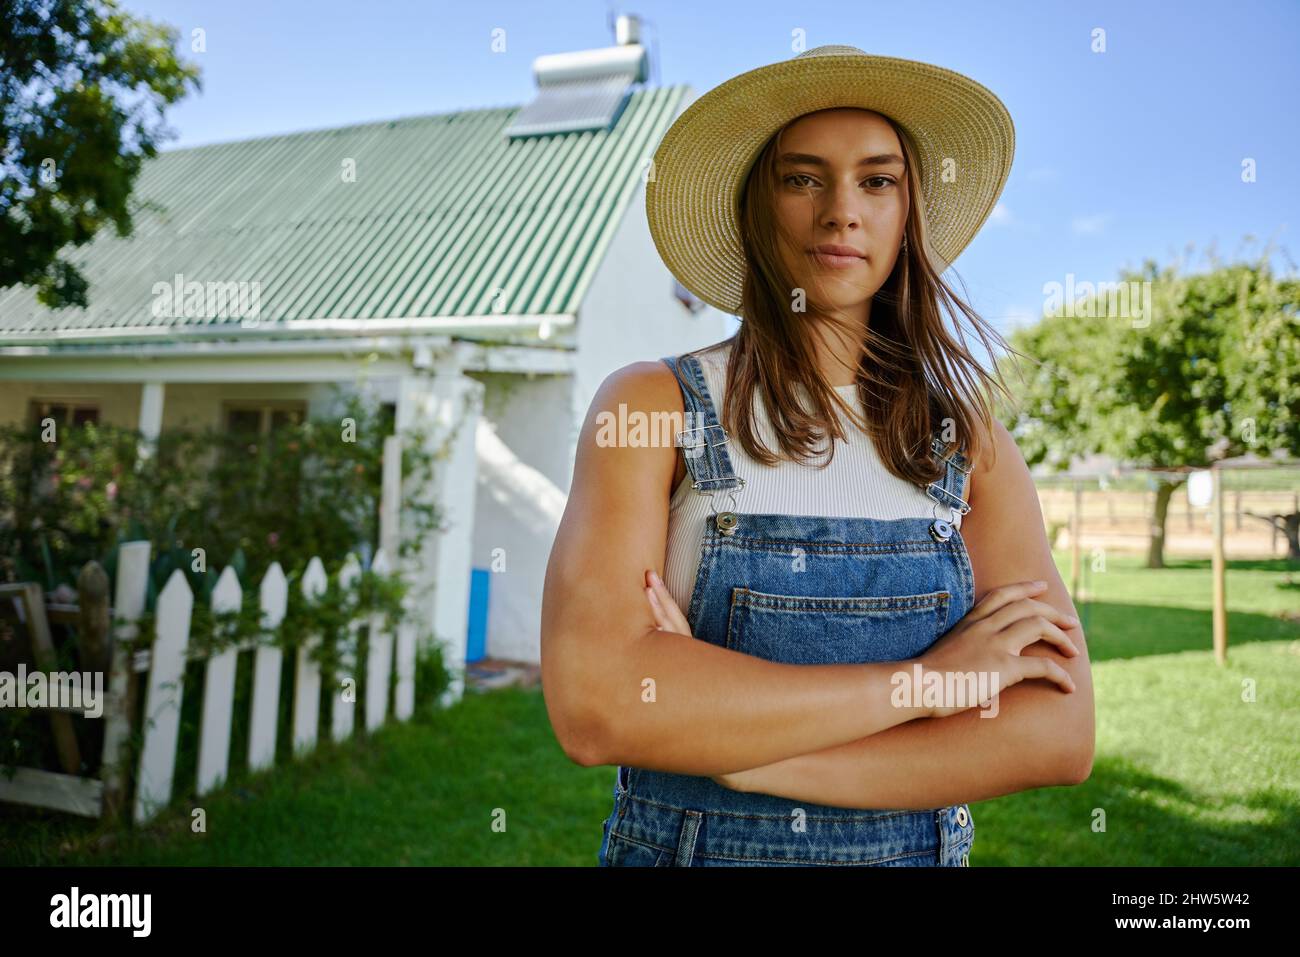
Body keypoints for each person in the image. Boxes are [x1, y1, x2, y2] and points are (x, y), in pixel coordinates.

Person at [540, 45, 1095, 867]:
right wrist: (932, 685)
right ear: (757, 209)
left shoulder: (967, 446)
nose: (842, 211)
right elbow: (599, 704)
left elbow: (1057, 731)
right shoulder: (653, 409)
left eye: (877, 181)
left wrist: (758, 755)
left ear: (908, 215)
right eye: (803, 179)